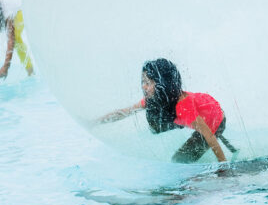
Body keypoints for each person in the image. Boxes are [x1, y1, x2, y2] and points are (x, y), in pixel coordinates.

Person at [97, 58, 237, 163]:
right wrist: (95, 122)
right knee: (159, 121)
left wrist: (223, 169)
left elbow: (209, 136)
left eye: (148, 83)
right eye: (143, 82)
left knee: (179, 159)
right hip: (205, 112)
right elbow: (124, 112)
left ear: (163, 84)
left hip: (216, 121)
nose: (144, 87)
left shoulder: (183, 106)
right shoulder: (156, 99)